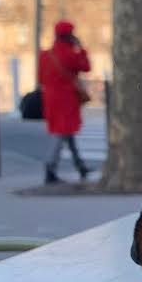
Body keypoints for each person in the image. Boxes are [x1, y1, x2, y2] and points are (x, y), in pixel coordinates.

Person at [38, 19, 92, 184]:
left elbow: (40, 78)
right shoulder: (70, 54)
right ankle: (50, 168)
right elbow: (86, 66)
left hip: (50, 99)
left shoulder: (45, 55)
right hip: (67, 100)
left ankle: (80, 166)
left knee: (67, 133)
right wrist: (81, 48)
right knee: (62, 133)